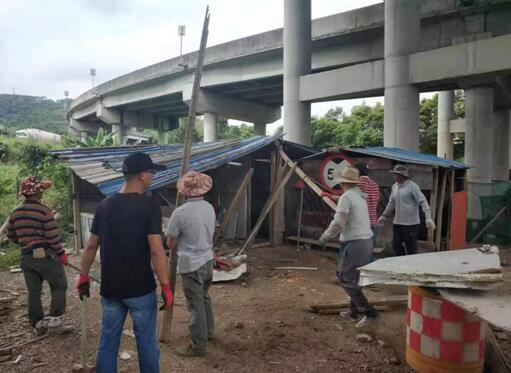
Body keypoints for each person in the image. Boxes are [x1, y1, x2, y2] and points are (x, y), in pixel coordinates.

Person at [77, 152, 173, 373]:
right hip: (140, 289)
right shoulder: (149, 207)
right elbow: (157, 251)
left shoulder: (104, 206)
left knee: (108, 343)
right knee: (146, 344)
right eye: (151, 172)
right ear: (141, 175)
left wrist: (83, 276)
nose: (153, 176)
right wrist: (166, 286)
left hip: (111, 289)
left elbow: (91, 246)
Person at [7, 176, 69, 336]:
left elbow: (11, 235)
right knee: (59, 285)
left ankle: (38, 324)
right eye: (41, 190)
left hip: (26, 257)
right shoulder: (43, 211)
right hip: (45, 255)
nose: (42, 193)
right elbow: (52, 236)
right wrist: (61, 254)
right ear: (37, 192)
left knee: (34, 291)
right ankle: (55, 322)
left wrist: (25, 242)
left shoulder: (15, 213)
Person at [319, 166, 378, 328]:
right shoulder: (359, 196)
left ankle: (369, 312)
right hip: (366, 241)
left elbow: (339, 221)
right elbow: (345, 203)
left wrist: (326, 236)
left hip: (356, 242)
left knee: (345, 278)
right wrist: (330, 196)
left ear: (342, 182)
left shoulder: (347, 197)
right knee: (354, 278)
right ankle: (353, 312)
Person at [166, 171, 216, 357]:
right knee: (204, 297)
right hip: (208, 259)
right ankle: (208, 333)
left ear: (185, 191)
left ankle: (198, 347)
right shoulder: (209, 207)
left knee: (195, 305)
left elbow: (171, 243)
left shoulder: (180, 213)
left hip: (192, 263)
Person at [378, 164, 435, 256]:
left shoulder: (412, 186)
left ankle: (411, 265)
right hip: (397, 223)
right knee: (396, 245)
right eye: (394, 174)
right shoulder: (394, 186)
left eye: (396, 174)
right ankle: (402, 261)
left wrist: (428, 217)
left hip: (410, 224)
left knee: (411, 248)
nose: (394, 176)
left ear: (402, 175)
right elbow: (391, 202)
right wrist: (384, 215)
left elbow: (423, 202)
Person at [354, 161, 380, 259]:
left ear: (357, 171)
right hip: (373, 221)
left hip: (361, 222)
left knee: (358, 252)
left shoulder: (358, 184)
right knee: (370, 250)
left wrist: (329, 195)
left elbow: (351, 199)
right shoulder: (375, 184)